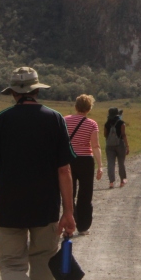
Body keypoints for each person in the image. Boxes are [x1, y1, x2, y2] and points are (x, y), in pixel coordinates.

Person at [0, 67, 77, 280]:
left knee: (12, 264)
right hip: (46, 207)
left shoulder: (0, 120)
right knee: (43, 261)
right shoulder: (55, 119)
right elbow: (64, 171)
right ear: (37, 90)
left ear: (12, 92)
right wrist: (68, 212)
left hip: (9, 207)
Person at [64, 94, 103, 235]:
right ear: (89, 108)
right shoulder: (92, 124)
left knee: (69, 192)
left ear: (76, 106)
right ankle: (83, 226)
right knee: (85, 193)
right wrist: (100, 166)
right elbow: (96, 146)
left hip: (68, 159)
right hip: (86, 160)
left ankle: (69, 224)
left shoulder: (64, 120)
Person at [104, 107, 129, 188]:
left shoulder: (107, 123)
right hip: (120, 144)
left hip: (109, 145)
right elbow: (123, 134)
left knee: (110, 163)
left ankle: (111, 182)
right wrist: (127, 146)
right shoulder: (121, 123)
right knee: (121, 163)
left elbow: (105, 134)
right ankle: (122, 181)